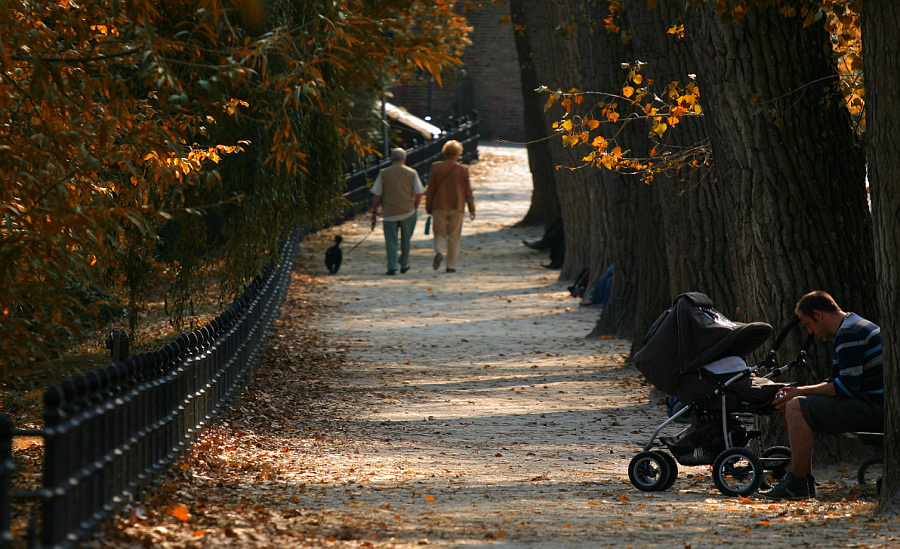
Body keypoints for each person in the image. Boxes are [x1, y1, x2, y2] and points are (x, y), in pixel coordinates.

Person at [762, 290, 883, 500]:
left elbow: (845, 388)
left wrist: (799, 392)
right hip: (870, 403)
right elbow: (836, 382)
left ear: (818, 315)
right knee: (793, 403)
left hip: (876, 409)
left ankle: (797, 483)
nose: (810, 332)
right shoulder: (851, 326)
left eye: (808, 324)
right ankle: (801, 480)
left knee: (795, 405)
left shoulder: (849, 334)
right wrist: (795, 393)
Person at [371, 148, 425, 275]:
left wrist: (374, 212)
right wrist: (415, 207)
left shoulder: (383, 173)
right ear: (404, 159)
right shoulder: (412, 173)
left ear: (390, 159)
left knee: (391, 240)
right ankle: (404, 263)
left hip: (389, 212)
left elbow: (377, 195)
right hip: (407, 211)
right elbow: (419, 193)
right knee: (406, 239)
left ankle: (392, 266)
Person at [425, 140, 475, 273]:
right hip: (457, 205)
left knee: (439, 233)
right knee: (454, 236)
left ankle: (439, 250)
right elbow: (468, 191)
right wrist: (472, 208)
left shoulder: (436, 167)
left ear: (445, 153)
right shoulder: (463, 170)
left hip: (439, 204)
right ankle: (451, 265)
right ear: (458, 154)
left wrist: (428, 206)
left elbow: (431, 189)